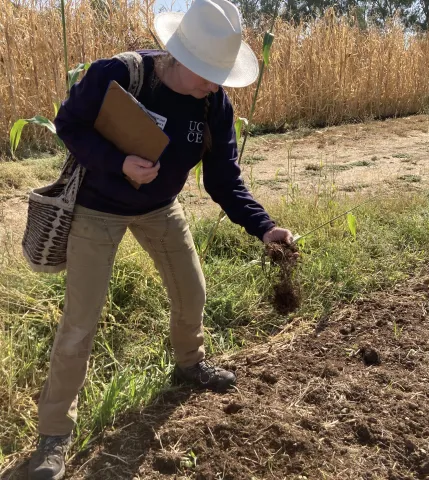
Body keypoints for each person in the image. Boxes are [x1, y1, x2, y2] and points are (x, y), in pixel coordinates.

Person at [28, 0, 294, 478]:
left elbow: (224, 180)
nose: (214, 84)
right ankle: (53, 435)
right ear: (181, 55)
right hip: (98, 208)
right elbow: (70, 125)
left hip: (160, 208)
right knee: (80, 323)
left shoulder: (213, 103)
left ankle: (189, 363)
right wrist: (118, 163)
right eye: (208, 73)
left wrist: (264, 226)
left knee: (192, 292)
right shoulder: (119, 75)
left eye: (221, 75)